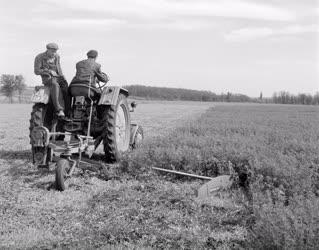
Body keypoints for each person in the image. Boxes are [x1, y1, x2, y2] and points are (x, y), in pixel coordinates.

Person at [34, 43, 70, 117]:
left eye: (55, 51)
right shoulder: (39, 57)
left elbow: (59, 68)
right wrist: (48, 71)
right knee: (55, 85)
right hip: (48, 78)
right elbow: (36, 71)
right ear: (47, 50)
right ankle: (59, 109)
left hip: (58, 77)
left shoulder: (57, 56)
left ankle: (68, 111)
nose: (54, 53)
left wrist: (63, 77)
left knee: (67, 88)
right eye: (52, 51)